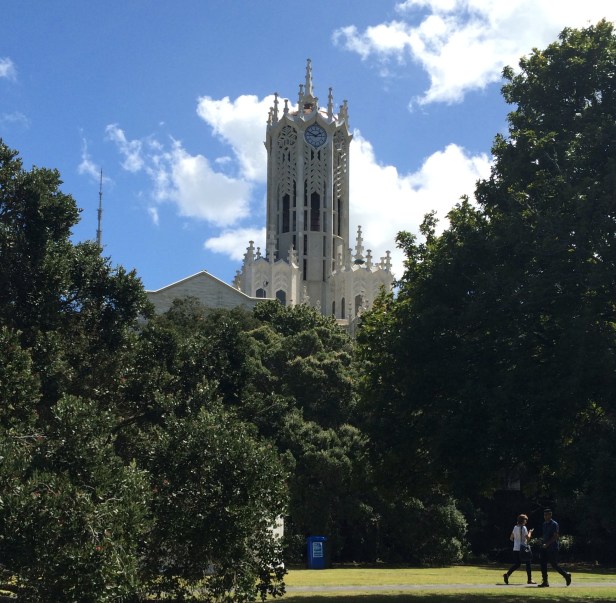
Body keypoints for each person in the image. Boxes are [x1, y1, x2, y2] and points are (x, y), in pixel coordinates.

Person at [538, 508, 572, 587]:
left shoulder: (554, 524)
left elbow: (555, 536)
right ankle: (545, 581)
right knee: (543, 564)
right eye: (544, 515)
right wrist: (543, 542)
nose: (545, 516)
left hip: (552, 547)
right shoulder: (544, 524)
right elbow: (545, 536)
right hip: (545, 547)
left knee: (554, 564)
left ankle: (566, 575)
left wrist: (547, 544)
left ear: (550, 515)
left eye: (547, 515)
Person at [503, 514, 535, 585]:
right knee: (528, 563)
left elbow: (511, 538)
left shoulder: (515, 527)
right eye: (526, 520)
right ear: (523, 520)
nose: (526, 521)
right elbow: (528, 538)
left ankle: (507, 574)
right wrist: (530, 532)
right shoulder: (524, 528)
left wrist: (517, 539)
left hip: (515, 548)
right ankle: (529, 579)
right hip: (522, 548)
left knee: (517, 564)